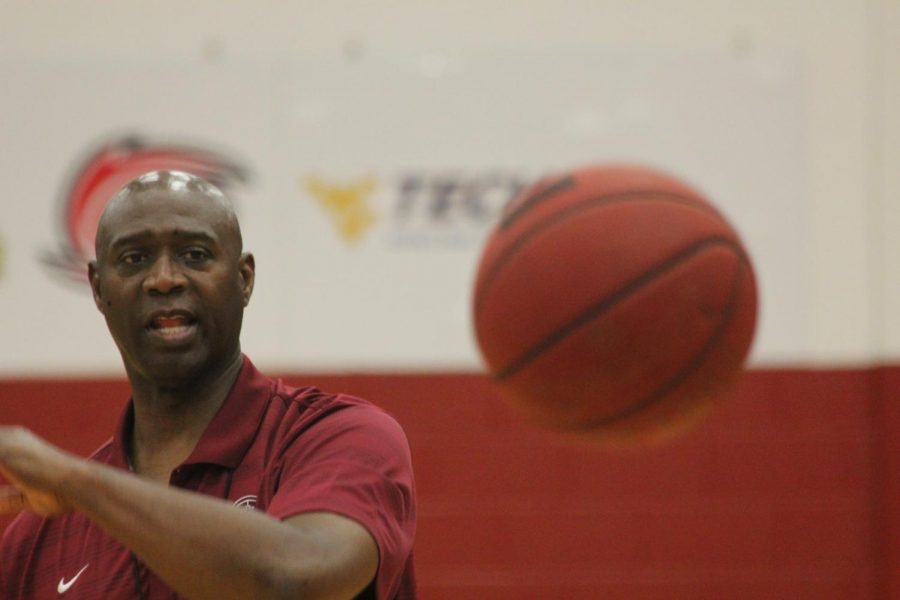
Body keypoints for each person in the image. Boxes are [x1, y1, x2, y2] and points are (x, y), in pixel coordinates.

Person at [0, 170, 416, 599]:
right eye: (134, 259)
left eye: (195, 254)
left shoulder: (337, 438)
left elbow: (299, 578)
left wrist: (76, 483)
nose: (164, 278)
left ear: (244, 279)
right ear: (98, 288)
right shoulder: (34, 539)